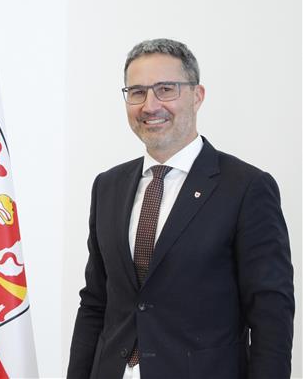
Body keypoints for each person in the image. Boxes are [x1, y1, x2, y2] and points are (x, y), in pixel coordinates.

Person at [67, 39, 294, 379]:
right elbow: (96, 301)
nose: (150, 105)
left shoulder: (245, 187)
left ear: (197, 96)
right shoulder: (108, 186)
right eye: (137, 92)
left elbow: (270, 314)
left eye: (165, 89)